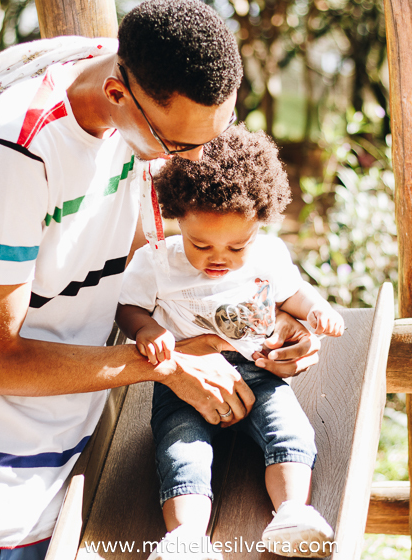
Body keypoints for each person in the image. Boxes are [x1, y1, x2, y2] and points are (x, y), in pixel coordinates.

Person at [0, 0, 320, 559]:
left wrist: (277, 314)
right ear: (118, 97)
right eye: (181, 147)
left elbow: (151, 268)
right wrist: (166, 366)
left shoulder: (130, 84)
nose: (196, 163)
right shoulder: (19, 156)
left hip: (85, 462)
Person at [116, 125, 344, 560]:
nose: (218, 257)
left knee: (291, 432)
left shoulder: (270, 255)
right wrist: (147, 330)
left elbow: (294, 296)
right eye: (200, 244)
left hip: (257, 371)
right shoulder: (157, 261)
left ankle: (292, 512)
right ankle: (186, 538)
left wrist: (316, 310)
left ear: (260, 222)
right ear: (179, 217)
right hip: (185, 380)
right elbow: (128, 308)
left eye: (237, 246)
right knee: (181, 449)